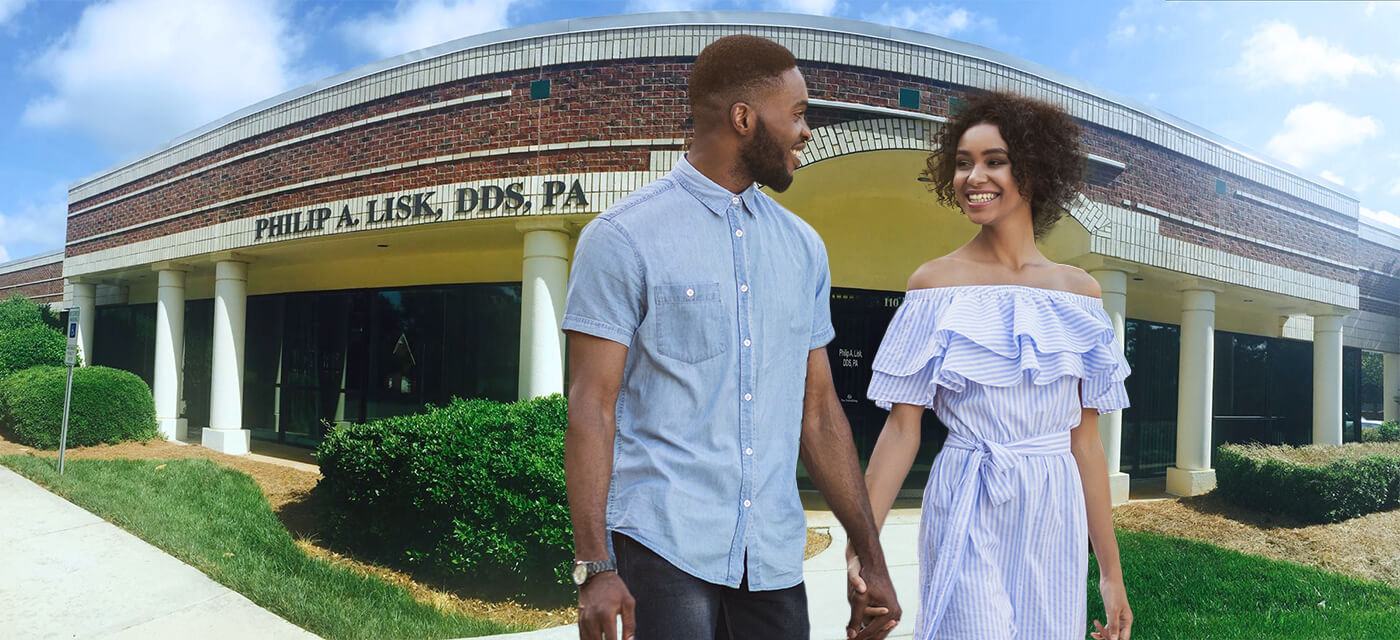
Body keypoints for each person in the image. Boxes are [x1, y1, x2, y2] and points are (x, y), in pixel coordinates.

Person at [562, 34, 902, 640]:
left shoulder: (803, 249)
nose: (807, 131)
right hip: (662, 545)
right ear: (744, 119)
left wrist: (869, 557)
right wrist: (595, 567)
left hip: (771, 557)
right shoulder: (621, 238)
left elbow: (820, 413)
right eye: (797, 114)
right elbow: (592, 407)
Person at [849, 90, 1134, 640]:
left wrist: (1112, 574)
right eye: (962, 163)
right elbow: (902, 430)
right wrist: (865, 549)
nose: (972, 176)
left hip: (1054, 508)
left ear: (1034, 169)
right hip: (967, 491)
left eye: (993, 160)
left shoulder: (1080, 296)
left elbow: (1086, 445)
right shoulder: (934, 285)